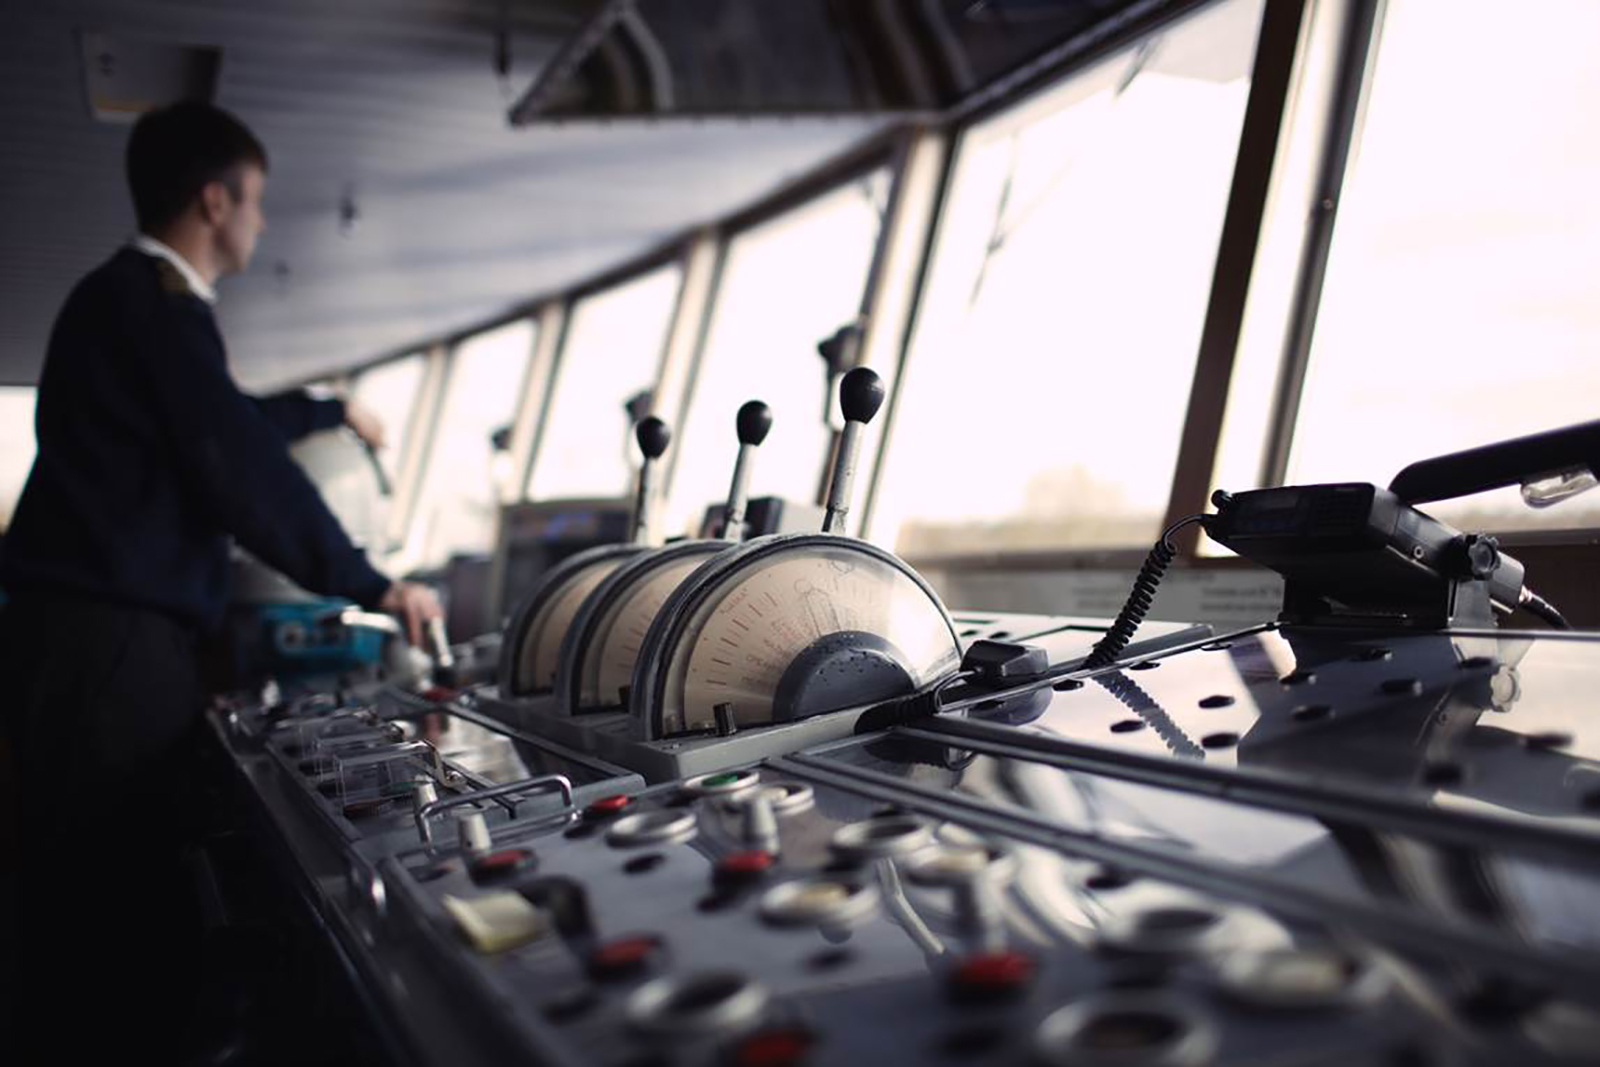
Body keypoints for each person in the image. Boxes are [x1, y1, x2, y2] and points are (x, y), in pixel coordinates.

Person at [0, 100, 440, 1056]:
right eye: (257, 202)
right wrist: (375, 582)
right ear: (215, 199)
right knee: (106, 899)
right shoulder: (156, 306)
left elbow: (220, 422)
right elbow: (237, 468)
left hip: (77, 643)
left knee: (80, 891)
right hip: (106, 655)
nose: (263, 222)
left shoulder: (122, 303)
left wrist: (324, 409)